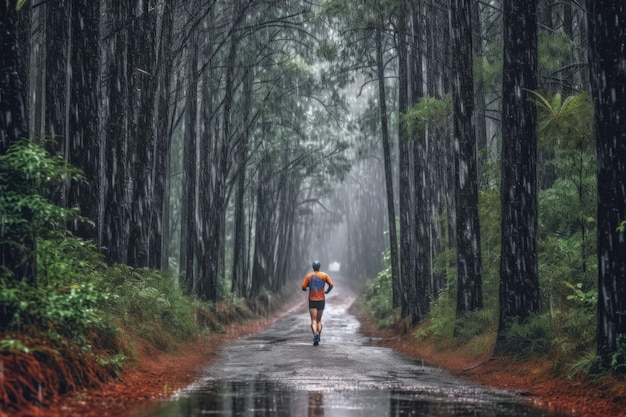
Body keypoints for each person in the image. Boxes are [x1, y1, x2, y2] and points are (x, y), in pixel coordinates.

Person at [301, 261, 333, 346]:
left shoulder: (309, 276)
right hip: (321, 300)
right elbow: (331, 285)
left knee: (313, 320)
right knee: (319, 320)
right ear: (319, 266)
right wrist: (327, 291)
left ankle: (315, 334)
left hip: (312, 300)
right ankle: (319, 334)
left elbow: (303, 287)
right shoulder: (324, 275)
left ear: (312, 267)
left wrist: (307, 287)